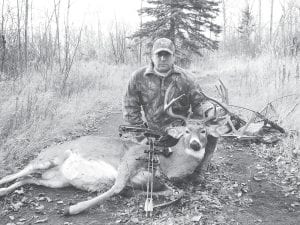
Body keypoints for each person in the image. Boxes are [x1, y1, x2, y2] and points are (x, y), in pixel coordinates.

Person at [122, 37, 218, 177]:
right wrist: (141, 137)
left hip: (180, 134)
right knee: (141, 164)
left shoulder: (187, 78)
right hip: (152, 135)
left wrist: (210, 110)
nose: (162, 58)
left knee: (212, 129)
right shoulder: (138, 77)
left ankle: (200, 169)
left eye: (166, 55)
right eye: (159, 55)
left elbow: (200, 103)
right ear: (152, 57)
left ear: (173, 57)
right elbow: (130, 109)